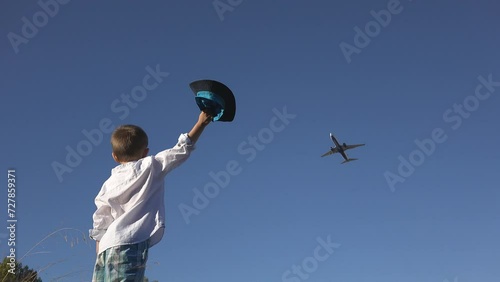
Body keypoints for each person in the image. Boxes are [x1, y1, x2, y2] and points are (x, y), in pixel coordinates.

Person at [89, 111, 213, 281]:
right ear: (145, 151)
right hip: (130, 241)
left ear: (115, 157)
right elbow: (181, 149)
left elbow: (101, 217)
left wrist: (100, 245)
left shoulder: (108, 183)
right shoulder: (152, 165)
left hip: (106, 245)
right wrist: (200, 124)